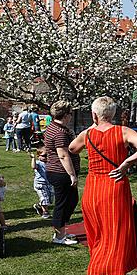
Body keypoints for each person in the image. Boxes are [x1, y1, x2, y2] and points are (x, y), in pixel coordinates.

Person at [69, 96, 137, 275]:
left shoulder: (87, 133)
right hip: (114, 189)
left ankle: (118, 274)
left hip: (93, 189)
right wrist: (126, 164)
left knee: (101, 235)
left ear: (94, 114)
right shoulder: (123, 132)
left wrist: (92, 125)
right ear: (113, 114)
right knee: (110, 237)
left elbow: (72, 148)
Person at [44, 100, 80, 246]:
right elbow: (63, 155)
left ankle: (61, 231)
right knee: (62, 204)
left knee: (72, 200)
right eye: (70, 114)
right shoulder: (59, 132)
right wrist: (72, 175)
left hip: (56, 170)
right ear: (65, 115)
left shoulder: (53, 127)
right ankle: (59, 237)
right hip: (60, 172)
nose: (71, 116)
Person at [31, 145, 53, 219]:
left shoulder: (50, 163)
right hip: (40, 184)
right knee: (44, 198)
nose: (46, 157)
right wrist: (33, 158)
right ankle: (45, 212)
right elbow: (33, 167)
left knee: (50, 199)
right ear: (38, 156)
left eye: (48, 155)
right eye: (44, 155)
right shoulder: (38, 163)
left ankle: (39, 206)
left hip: (49, 183)